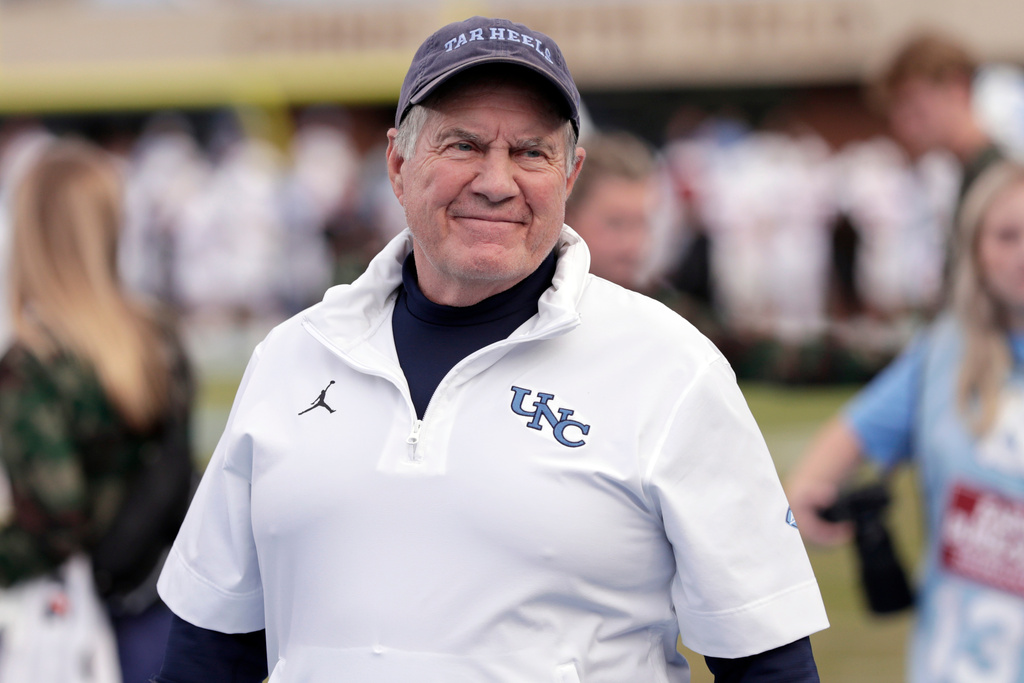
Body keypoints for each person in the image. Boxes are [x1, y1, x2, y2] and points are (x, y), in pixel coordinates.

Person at [155, 16, 829, 682]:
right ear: (397, 162)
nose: (496, 181)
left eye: (531, 152)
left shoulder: (672, 368)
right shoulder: (290, 359)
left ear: (569, 175)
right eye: (463, 145)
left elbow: (767, 661)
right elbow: (210, 648)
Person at [786, 160, 1024, 682]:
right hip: (958, 660)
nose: (1021, 254)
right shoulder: (943, 355)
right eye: (1006, 235)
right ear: (975, 249)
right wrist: (811, 495)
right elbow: (841, 446)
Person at [0, 138, 195, 682]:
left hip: (74, 624)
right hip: (163, 605)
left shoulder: (34, 363)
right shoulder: (157, 337)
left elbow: (55, 520)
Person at [873, 31, 1005, 284]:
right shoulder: (966, 172)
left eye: (911, 102)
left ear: (957, 87)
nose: (902, 122)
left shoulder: (995, 180)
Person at [563, 130, 658, 290]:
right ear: (568, 216)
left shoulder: (665, 312)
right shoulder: (531, 307)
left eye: (641, 224)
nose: (632, 245)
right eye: (615, 223)